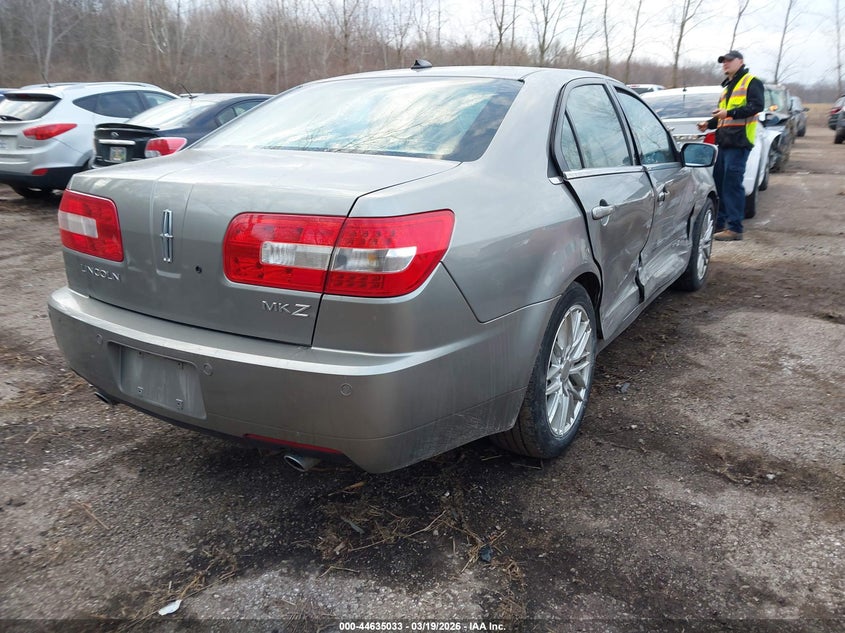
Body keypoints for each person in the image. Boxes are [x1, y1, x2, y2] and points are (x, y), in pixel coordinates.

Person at [697, 50, 764, 241]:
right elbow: (722, 116)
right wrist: (708, 124)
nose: (725, 64)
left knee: (732, 184)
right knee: (720, 183)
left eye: (729, 61)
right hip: (725, 142)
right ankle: (719, 224)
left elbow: (756, 106)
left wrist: (729, 113)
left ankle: (735, 229)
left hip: (740, 142)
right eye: (723, 62)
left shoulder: (751, 81)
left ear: (740, 61)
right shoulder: (727, 87)